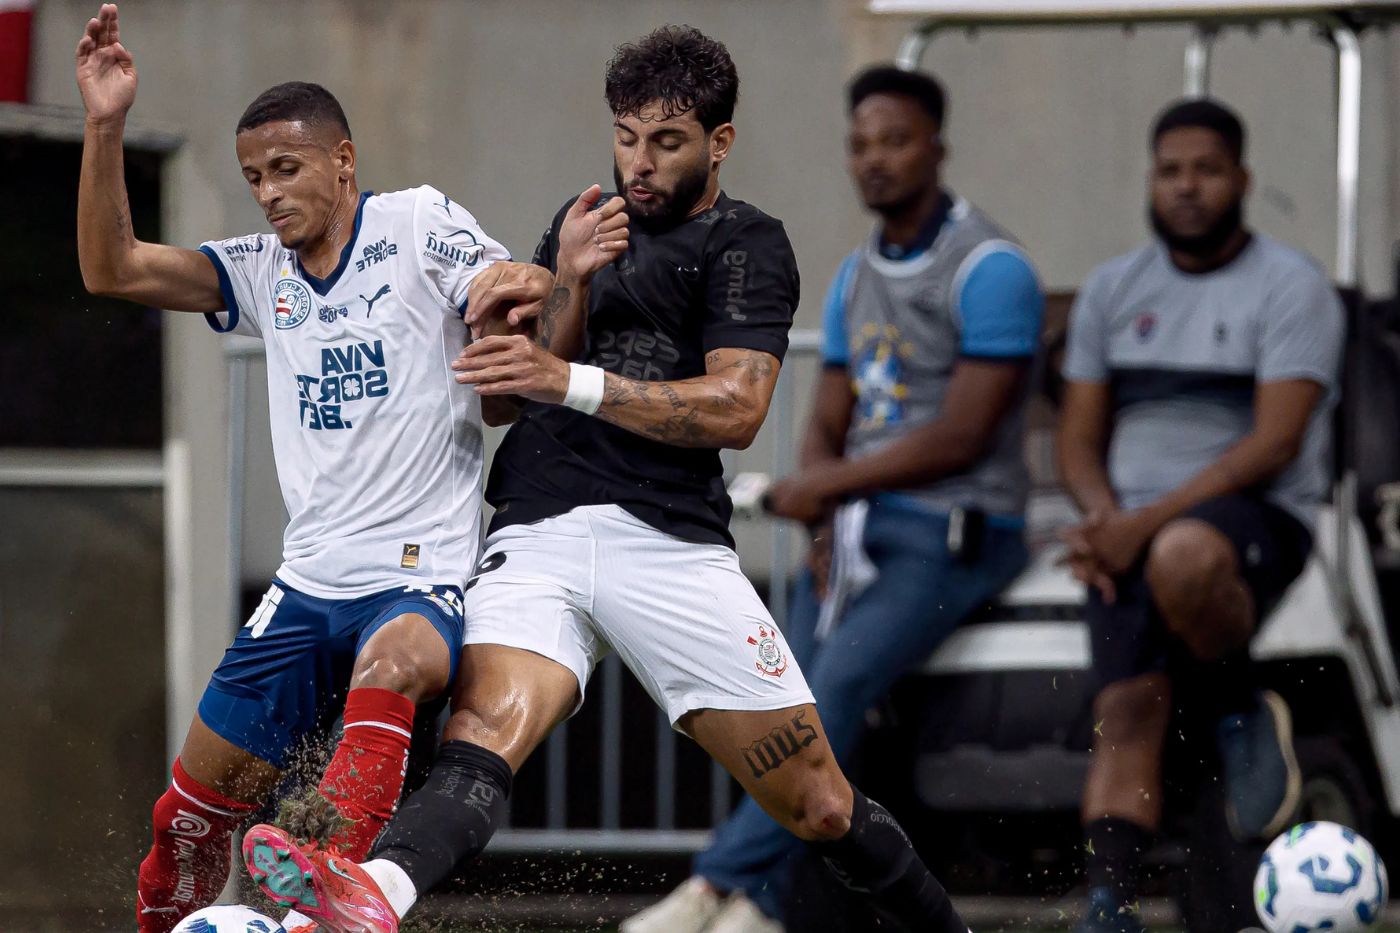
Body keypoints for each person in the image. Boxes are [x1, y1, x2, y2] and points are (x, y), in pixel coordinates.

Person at [239, 26, 972, 933]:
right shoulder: (583, 217)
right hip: (537, 529)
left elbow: (736, 408)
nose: (639, 163)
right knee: (478, 747)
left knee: (820, 804)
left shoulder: (748, 243)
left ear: (720, 142)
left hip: (668, 542)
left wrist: (567, 379)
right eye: (626, 137)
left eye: (666, 142)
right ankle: (364, 901)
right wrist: (570, 280)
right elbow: (517, 390)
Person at [72, 7, 585, 931]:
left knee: (394, 664)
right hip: (306, 584)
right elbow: (113, 269)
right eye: (253, 178)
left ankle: (326, 886)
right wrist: (105, 123)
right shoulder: (262, 273)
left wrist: (515, 296)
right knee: (187, 820)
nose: (267, 193)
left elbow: (509, 284)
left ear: (343, 161)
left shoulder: (416, 223)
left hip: (418, 573)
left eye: (285, 168)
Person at [627, 64, 1045, 933]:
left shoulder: (991, 267)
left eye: (895, 140)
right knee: (771, 678)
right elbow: (829, 419)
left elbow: (962, 436)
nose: (875, 160)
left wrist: (824, 487)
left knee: (837, 680)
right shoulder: (858, 273)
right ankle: (764, 904)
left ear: (937, 147)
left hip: (962, 527)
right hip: (862, 526)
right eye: (860, 145)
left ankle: (717, 890)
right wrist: (820, 502)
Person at [1057, 98, 1343, 933]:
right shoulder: (1114, 288)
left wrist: (1140, 530)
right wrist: (1105, 518)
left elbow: (1276, 443)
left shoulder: (1292, 286)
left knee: (1182, 554)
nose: (1187, 187)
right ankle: (1109, 906)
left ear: (1242, 180)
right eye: (1171, 170)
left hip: (1250, 517)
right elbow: (1078, 440)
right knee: (1128, 708)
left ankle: (1238, 700)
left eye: (1206, 170)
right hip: (1134, 527)